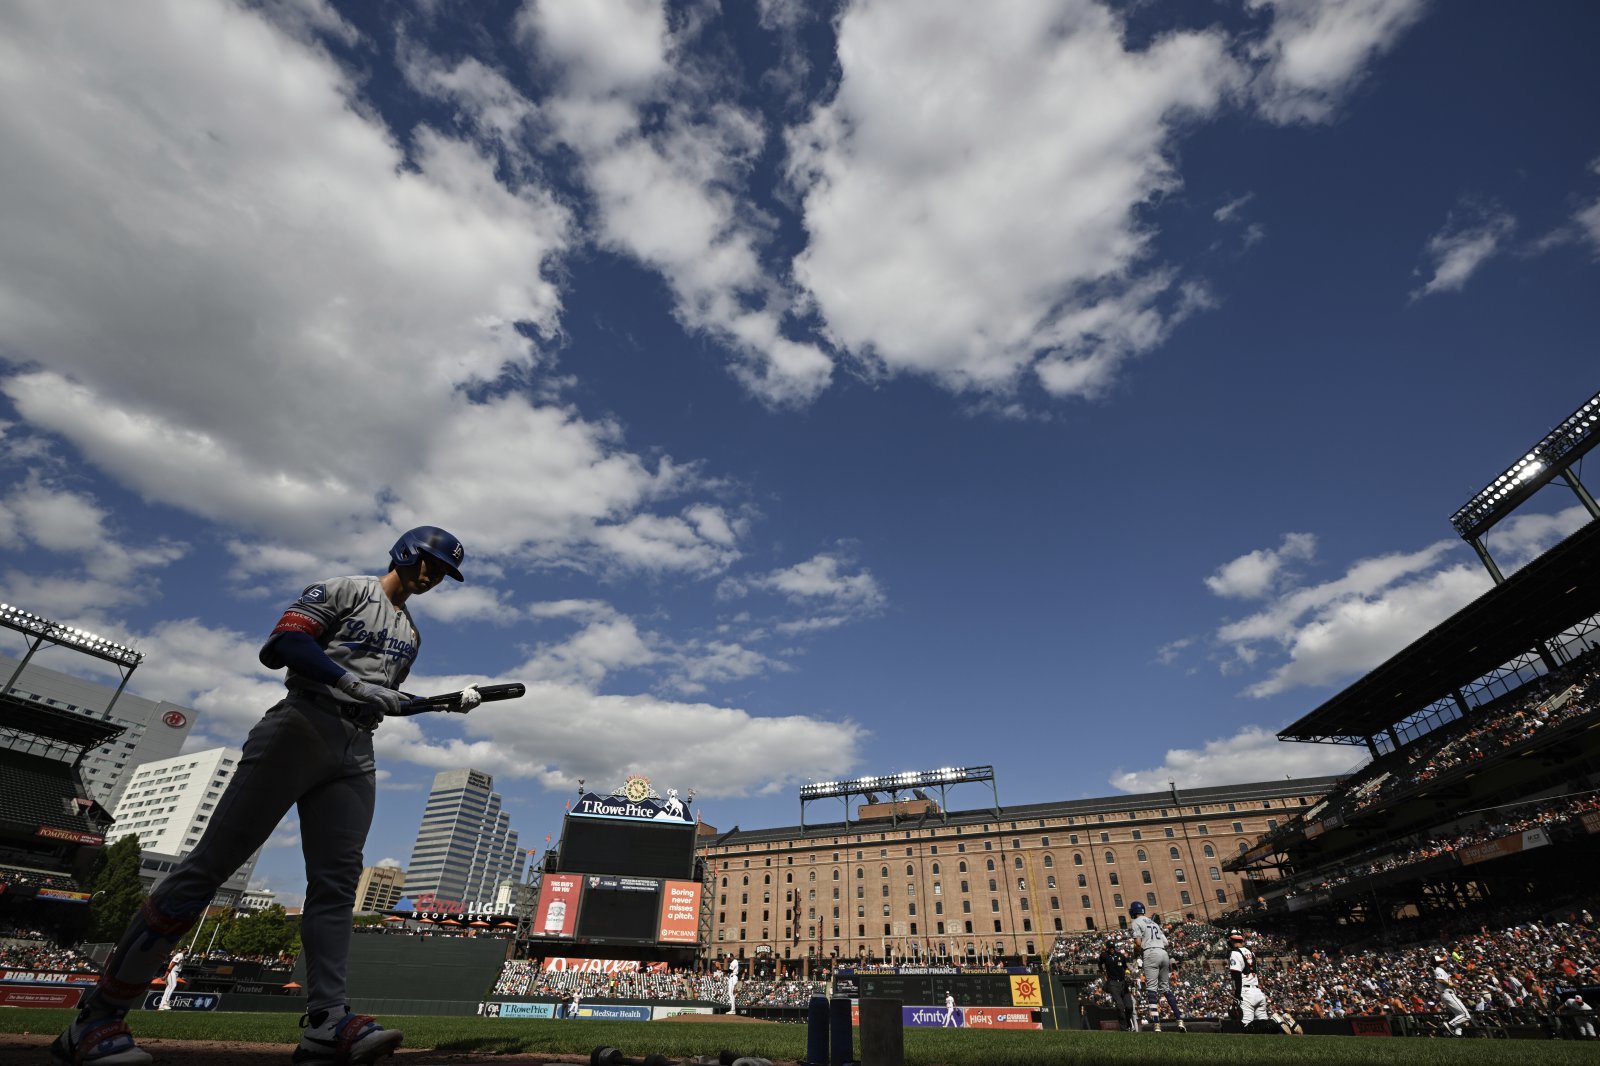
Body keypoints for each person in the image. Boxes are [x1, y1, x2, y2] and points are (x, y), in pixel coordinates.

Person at [53, 527, 473, 1066]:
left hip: (356, 745)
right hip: (301, 723)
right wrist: (350, 683)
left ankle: (326, 1020)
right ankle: (98, 1018)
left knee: (338, 882)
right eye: (427, 562)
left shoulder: (411, 634)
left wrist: (429, 704)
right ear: (403, 551)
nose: (431, 575)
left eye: (442, 571)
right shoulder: (346, 589)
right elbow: (283, 645)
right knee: (208, 868)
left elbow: (382, 697)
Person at [1127, 901, 1185, 1033]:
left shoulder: (1136, 922)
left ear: (1134, 911)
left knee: (1151, 990)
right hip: (1164, 953)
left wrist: (1136, 951)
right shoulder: (1153, 923)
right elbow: (1166, 942)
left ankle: (1157, 1024)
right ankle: (1179, 1020)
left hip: (1151, 953)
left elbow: (1137, 942)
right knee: (1166, 988)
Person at [1098, 938, 1138, 1031]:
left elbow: (1125, 967)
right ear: (1107, 948)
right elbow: (1100, 964)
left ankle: (1128, 1021)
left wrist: (1128, 974)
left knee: (1129, 1006)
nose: (1112, 949)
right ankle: (1124, 1029)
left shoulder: (1120, 956)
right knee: (1120, 1006)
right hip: (1113, 983)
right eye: (1110, 947)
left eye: (1113, 947)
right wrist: (1103, 973)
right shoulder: (1104, 956)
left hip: (1123, 983)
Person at [1432, 953, 1472, 1037]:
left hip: (1446, 994)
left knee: (1459, 1015)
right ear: (1438, 963)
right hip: (1448, 994)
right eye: (1441, 962)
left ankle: (1458, 1034)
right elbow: (1439, 980)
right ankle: (1449, 1025)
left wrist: (1456, 988)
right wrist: (1451, 985)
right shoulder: (1439, 969)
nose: (1444, 963)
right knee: (1466, 1015)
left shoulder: (1440, 969)